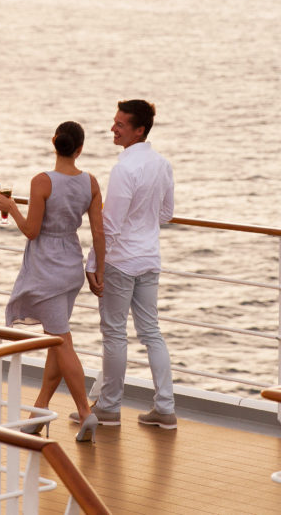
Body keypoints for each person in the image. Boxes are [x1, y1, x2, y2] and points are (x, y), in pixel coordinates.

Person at [0, 121, 106, 443]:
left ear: (53, 143)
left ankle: (85, 412)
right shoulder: (91, 182)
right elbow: (98, 232)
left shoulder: (42, 181)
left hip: (47, 269)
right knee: (54, 341)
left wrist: (11, 207)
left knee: (60, 342)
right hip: (71, 264)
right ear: (80, 148)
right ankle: (39, 412)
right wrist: (98, 268)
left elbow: (31, 230)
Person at [71, 99, 177, 430]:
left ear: (139, 130)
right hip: (149, 259)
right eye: (114, 122)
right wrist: (143, 226)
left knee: (114, 333)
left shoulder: (123, 169)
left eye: (120, 125)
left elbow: (110, 226)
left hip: (120, 262)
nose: (113, 128)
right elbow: (166, 214)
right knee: (151, 332)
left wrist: (93, 264)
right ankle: (165, 408)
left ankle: (109, 407)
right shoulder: (162, 164)